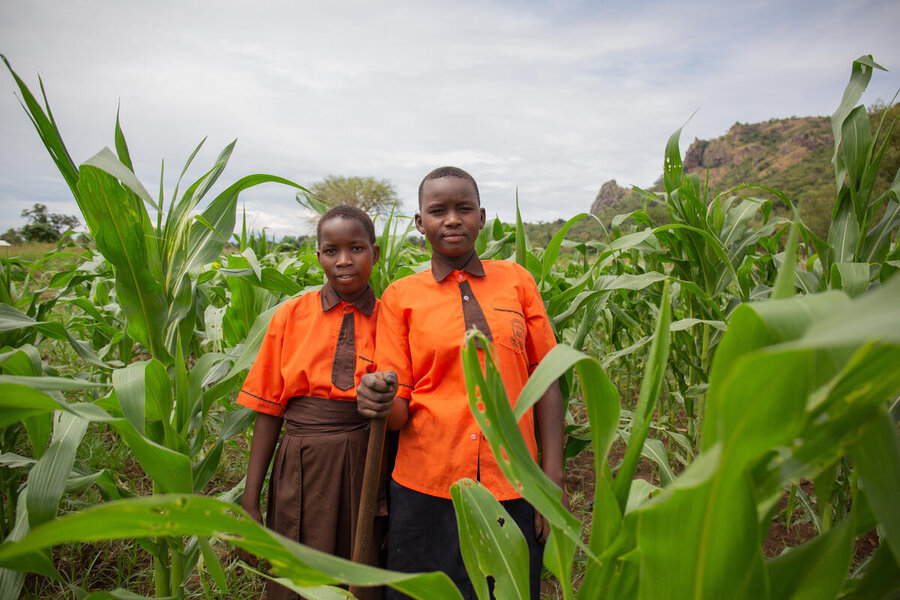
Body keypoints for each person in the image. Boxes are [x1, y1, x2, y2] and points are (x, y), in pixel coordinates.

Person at [357, 167, 566, 600]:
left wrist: (552, 479)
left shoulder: (518, 281)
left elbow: (546, 381)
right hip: (426, 487)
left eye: (463, 208)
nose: (451, 219)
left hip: (514, 482)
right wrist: (377, 399)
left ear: (482, 216)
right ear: (420, 223)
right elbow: (399, 411)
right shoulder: (401, 296)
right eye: (437, 211)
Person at [238, 205, 382, 600]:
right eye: (330, 251)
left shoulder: (391, 319)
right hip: (301, 461)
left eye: (356, 248)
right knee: (298, 567)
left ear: (376, 252)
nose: (344, 261)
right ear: (317, 256)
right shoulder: (290, 316)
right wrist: (250, 502)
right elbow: (269, 409)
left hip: (366, 460)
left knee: (361, 562)